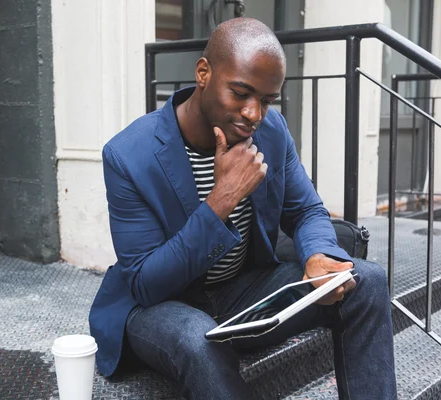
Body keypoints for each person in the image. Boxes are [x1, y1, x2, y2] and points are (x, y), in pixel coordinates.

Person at [90, 17, 397, 400]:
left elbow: (306, 211)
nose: (255, 113)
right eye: (241, 93)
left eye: (267, 100)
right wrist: (222, 200)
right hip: (162, 306)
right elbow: (146, 283)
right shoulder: (129, 155)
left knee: (364, 281)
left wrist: (318, 255)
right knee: (195, 338)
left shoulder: (271, 131)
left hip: (244, 289)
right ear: (203, 72)